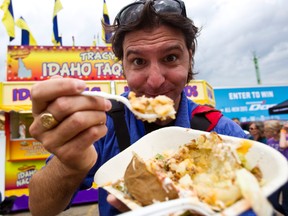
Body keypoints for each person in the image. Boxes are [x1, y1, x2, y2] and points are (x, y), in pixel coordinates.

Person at [28, 1, 252, 216]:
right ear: (123, 67)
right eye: (138, 61)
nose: (155, 80)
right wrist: (69, 166)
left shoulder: (221, 131)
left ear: (189, 58)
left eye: (171, 57)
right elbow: (40, 209)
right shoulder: (102, 124)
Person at [264, 120, 288, 215]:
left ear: (274, 131)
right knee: (272, 201)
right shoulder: (269, 141)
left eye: (267, 131)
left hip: (286, 173)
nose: (265, 133)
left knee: (286, 203)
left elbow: (282, 145)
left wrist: (283, 131)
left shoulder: (285, 138)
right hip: (276, 172)